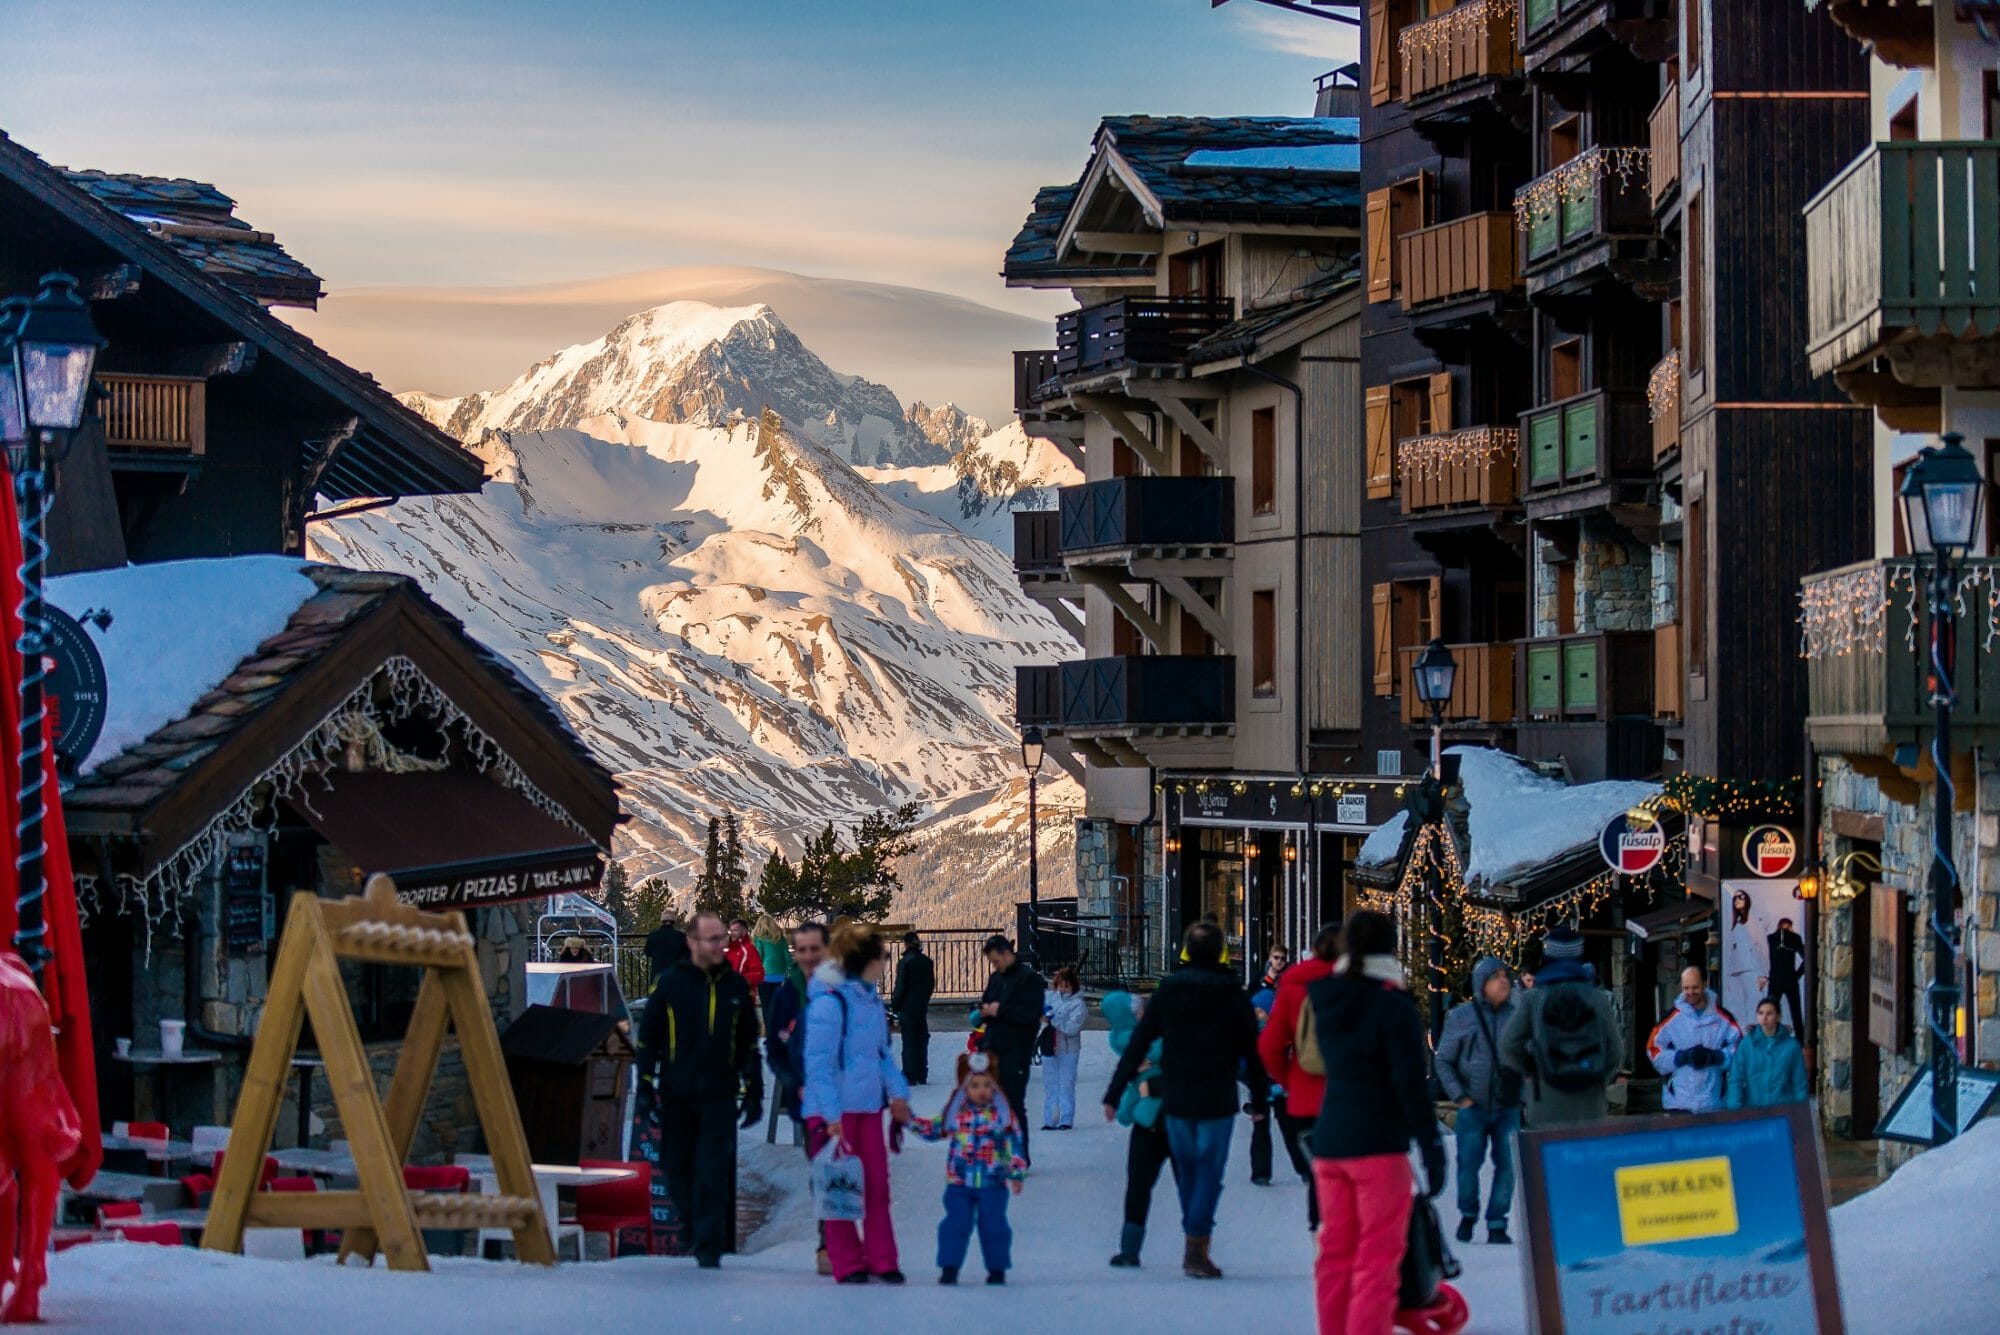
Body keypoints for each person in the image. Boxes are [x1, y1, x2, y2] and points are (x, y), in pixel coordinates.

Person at [1102, 920, 1269, 1280]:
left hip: (1177, 1096)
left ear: (1187, 951)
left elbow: (1138, 1043)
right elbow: (1251, 1053)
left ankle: (1190, 1240)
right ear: (1221, 951)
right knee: (1207, 1174)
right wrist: (1260, 1099)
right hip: (1218, 1096)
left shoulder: (1168, 992)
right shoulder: (1233, 994)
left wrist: (1115, 1092)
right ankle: (1196, 1244)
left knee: (1189, 1173)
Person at [1306, 910, 1446, 1335]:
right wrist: (1431, 1147)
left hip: (1331, 1139)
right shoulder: (1393, 1006)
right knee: (1377, 1258)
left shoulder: (1327, 998)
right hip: (1379, 1144)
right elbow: (1410, 1085)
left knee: (1335, 1252)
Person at [637, 911, 761, 1268]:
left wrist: (754, 1088)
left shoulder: (735, 988)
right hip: (677, 1091)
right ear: (691, 942)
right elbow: (649, 1037)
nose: (720, 944)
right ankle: (691, 1224)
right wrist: (645, 1085)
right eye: (712, 938)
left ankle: (708, 1244)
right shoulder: (671, 983)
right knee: (675, 1165)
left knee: (712, 1167)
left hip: (720, 1093)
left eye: (722, 937)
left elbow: (749, 1043)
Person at [803, 920, 913, 1284]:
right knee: (841, 1187)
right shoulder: (829, 1004)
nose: (885, 961)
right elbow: (818, 1065)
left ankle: (883, 1259)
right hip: (835, 1110)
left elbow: (881, 1054)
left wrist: (898, 1093)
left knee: (876, 1186)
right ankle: (847, 1261)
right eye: (880, 956)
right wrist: (831, 1115)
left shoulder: (868, 1000)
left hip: (867, 1106)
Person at [908, 1051, 1026, 1286]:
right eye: (974, 1085)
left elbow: (1015, 1142)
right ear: (965, 1088)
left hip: (992, 1182)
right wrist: (908, 1120)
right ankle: (949, 1267)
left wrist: (1015, 1172)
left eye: (985, 1085)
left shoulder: (1000, 1116)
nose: (981, 1090)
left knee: (994, 1227)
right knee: (955, 1223)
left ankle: (996, 1268)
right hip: (959, 1183)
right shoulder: (956, 1115)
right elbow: (933, 1129)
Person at [1499, 925, 1624, 1127]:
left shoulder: (1534, 997)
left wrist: (1533, 1071)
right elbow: (1616, 1051)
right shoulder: (1597, 997)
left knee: (1548, 1157)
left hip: (1546, 1102)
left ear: (1547, 957)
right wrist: (1597, 1077)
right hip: (1590, 1102)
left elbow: (1509, 1045)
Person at [1435, 956, 1522, 1245]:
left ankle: (1498, 1221)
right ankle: (1468, 1213)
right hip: (1473, 1105)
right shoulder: (1461, 1018)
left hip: (1508, 1104)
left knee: (1508, 1165)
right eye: (1496, 977)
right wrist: (1460, 1096)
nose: (1504, 982)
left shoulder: (1517, 1016)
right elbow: (1444, 1061)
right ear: (1481, 984)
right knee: (1468, 1163)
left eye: (1505, 976)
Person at [1258, 921, 1338, 1231]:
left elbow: (1269, 1047)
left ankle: (1322, 1235)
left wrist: (1289, 1080)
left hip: (1308, 1095)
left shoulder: (1294, 986)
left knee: (1321, 1174)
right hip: (1354, 1097)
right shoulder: (1364, 984)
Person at [765, 920, 831, 1274]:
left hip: (847, 1097)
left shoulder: (844, 989)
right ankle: (828, 1239)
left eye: (814, 949)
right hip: (809, 1101)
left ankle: (846, 1236)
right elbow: (774, 1049)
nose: (807, 957)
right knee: (822, 1167)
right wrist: (792, 1082)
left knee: (850, 1167)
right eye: (801, 950)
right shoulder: (788, 994)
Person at [1103, 989, 1175, 1267]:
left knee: (1139, 1184)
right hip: (1161, 1119)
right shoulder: (1140, 1036)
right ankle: (1195, 1244)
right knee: (1142, 1184)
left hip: (1156, 1118)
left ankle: (1131, 1248)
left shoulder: (1147, 1035)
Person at [978, 935, 1046, 1167]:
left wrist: (1001, 1010)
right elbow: (987, 1002)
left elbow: (1031, 1016)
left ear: (1007, 954)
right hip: (992, 1049)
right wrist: (985, 1010)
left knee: (1014, 1104)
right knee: (991, 1105)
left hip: (1016, 1051)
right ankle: (998, 1153)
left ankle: (1019, 1156)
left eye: (996, 961)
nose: (995, 966)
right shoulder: (996, 978)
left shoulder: (1030, 979)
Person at [1648, 965, 1741, 1114]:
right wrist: (1680, 1057)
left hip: (1713, 1101)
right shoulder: (1671, 1018)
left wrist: (1718, 1057)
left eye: (1695, 987)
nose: (1690, 992)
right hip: (1679, 1102)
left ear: (1705, 984)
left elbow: (1739, 1048)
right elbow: (1653, 1049)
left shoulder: (1723, 1018)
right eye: (1686, 988)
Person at [1727, 998, 1809, 1109]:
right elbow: (1735, 1079)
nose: (1764, 1018)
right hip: (1754, 1110)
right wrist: (1734, 1110)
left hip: (1783, 1111)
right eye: (1760, 1013)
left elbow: (1799, 1083)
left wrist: (1801, 1112)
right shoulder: (1746, 1045)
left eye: (1769, 1013)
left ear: (1778, 1016)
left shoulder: (1792, 1046)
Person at [1041, 967, 1087, 1131]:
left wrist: (1053, 1021)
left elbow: (1072, 1028)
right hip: (1049, 1046)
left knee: (1066, 1084)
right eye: (1060, 985)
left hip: (1068, 1048)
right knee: (1050, 1084)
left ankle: (1066, 1118)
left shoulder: (1078, 1004)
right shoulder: (1050, 997)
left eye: (1066, 986)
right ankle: (1049, 1118)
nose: (1063, 989)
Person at [890, 930, 937, 1086]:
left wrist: (895, 1005)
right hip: (921, 1006)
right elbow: (931, 985)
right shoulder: (927, 962)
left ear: (906, 944)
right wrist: (924, 1000)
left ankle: (909, 1074)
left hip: (907, 1007)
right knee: (921, 1039)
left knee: (909, 1040)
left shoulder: (905, 962)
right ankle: (922, 1073)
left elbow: (900, 986)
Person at [1763, 916, 1808, 1037]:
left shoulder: (1771, 938)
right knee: (1796, 1014)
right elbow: (1807, 958)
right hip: (1790, 979)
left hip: (1775, 978)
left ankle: (1768, 1037)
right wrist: (1797, 974)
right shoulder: (1794, 938)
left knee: (1770, 1010)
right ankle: (1800, 1040)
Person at [752, 914, 790, 1018]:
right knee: (778, 1007)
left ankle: (769, 1031)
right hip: (780, 978)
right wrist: (788, 973)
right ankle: (777, 1030)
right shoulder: (781, 939)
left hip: (765, 977)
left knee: (766, 1007)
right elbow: (787, 958)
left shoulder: (759, 939)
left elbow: (758, 957)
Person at [725, 917, 766, 990]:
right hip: (725, 994)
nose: (732, 933)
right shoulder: (727, 949)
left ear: (744, 931)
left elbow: (759, 973)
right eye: (731, 931)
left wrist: (740, 980)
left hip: (742, 994)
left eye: (735, 930)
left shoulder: (749, 949)